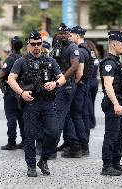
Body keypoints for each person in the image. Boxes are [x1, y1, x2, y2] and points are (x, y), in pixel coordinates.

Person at [7, 31, 66, 177]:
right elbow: (11, 79)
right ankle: (31, 165)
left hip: (47, 103)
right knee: (30, 136)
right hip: (31, 103)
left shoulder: (50, 61)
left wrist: (55, 83)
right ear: (28, 45)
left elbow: (62, 78)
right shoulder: (21, 61)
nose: (36, 47)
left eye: (39, 44)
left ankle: (44, 160)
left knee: (54, 133)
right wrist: (21, 92)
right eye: (33, 44)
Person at [100, 31, 122, 176]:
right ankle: (107, 167)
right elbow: (108, 85)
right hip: (113, 104)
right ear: (114, 44)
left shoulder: (116, 61)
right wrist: (116, 104)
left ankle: (116, 163)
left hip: (120, 102)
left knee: (120, 135)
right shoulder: (108, 63)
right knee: (111, 136)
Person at [60, 25, 90, 158]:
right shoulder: (86, 48)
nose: (69, 37)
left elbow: (79, 73)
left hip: (78, 87)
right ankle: (74, 144)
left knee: (75, 116)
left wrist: (73, 84)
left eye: (71, 35)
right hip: (84, 86)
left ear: (78, 36)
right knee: (78, 116)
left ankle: (81, 146)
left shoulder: (79, 50)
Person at [51, 23, 80, 155]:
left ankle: (50, 150)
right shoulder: (57, 46)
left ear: (69, 34)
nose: (63, 35)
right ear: (57, 34)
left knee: (58, 116)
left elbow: (75, 66)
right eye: (60, 33)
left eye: (65, 33)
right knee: (66, 116)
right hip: (58, 84)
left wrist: (60, 80)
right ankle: (74, 145)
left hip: (66, 85)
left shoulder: (72, 46)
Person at [0, 36, 24, 150]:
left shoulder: (10, 58)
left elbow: (2, 74)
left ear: (12, 46)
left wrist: (0, 84)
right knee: (22, 117)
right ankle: (24, 141)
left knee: (11, 117)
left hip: (10, 91)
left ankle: (12, 142)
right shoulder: (25, 57)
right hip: (22, 91)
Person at [86, 40, 101, 129]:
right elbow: (98, 71)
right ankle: (93, 122)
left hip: (88, 80)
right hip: (95, 81)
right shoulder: (96, 57)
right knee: (92, 103)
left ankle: (90, 123)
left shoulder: (86, 55)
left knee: (88, 104)